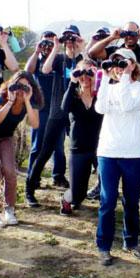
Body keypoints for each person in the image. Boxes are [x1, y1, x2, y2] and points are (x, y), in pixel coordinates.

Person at [94, 48, 140, 266]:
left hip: (133, 153)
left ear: (134, 65)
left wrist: (126, 74)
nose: (118, 67)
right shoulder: (110, 86)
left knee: (131, 201)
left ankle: (131, 241)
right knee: (107, 201)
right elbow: (100, 107)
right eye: (114, 63)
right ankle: (104, 246)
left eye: (123, 63)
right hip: (108, 151)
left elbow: (127, 105)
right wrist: (106, 79)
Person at [25, 25, 84, 206]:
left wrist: (81, 48)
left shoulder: (83, 58)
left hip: (79, 112)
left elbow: (93, 69)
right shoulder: (59, 58)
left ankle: (78, 192)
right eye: (67, 39)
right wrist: (57, 46)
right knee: (45, 149)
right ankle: (30, 189)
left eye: (73, 38)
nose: (70, 42)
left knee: (82, 151)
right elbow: (45, 69)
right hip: (58, 109)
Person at [0, 71, 42, 227]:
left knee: (10, 171)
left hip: (5, 136)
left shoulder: (32, 100)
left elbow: (35, 124)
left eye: (25, 86)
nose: (20, 89)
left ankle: (9, 210)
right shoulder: (4, 95)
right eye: (18, 84)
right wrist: (10, 102)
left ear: (31, 87)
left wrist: (26, 101)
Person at [25, 31, 69, 189]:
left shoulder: (59, 60)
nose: (48, 47)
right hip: (41, 108)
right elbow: (28, 70)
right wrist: (36, 51)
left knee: (58, 146)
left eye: (52, 43)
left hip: (57, 109)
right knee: (38, 145)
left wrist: (56, 49)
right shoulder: (37, 60)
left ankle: (58, 176)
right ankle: (33, 177)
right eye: (45, 43)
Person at [59, 59, 103, 215]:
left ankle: (106, 209)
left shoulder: (101, 94)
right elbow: (64, 108)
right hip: (79, 149)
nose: (84, 77)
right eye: (80, 73)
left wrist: (100, 78)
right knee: (78, 195)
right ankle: (66, 199)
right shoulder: (74, 96)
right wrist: (72, 82)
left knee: (107, 182)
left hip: (101, 148)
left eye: (88, 73)